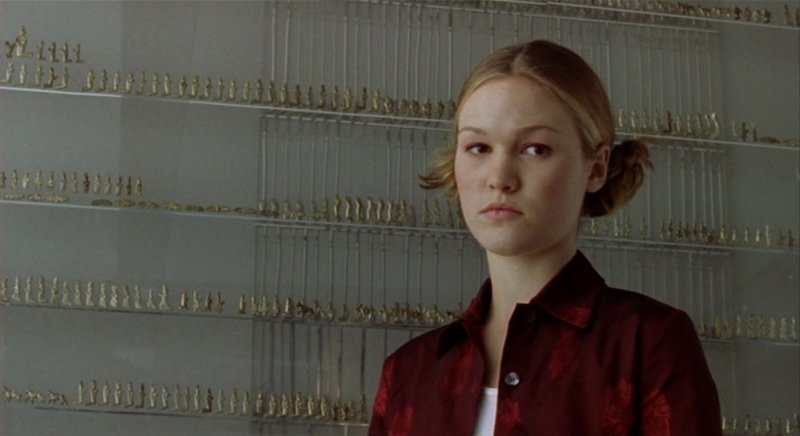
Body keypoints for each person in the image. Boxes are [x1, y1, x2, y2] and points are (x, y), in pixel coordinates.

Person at [368, 40, 721, 435]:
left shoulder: (647, 344)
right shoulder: (407, 374)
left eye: (535, 149)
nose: (499, 178)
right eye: (478, 147)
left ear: (596, 168)